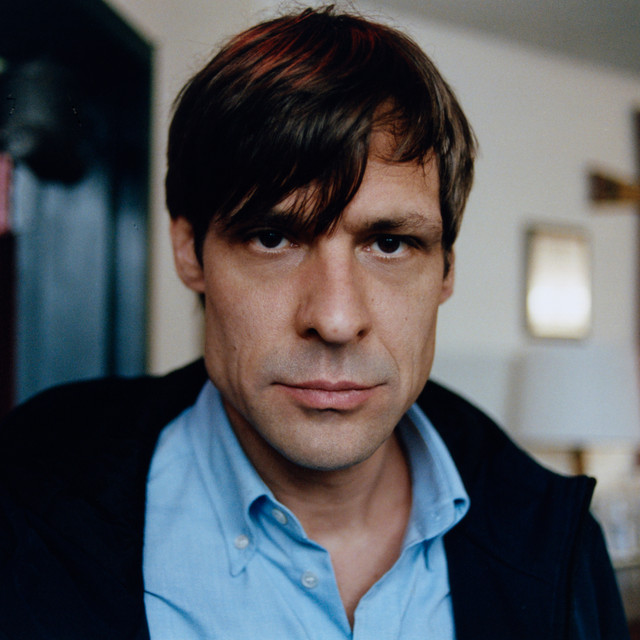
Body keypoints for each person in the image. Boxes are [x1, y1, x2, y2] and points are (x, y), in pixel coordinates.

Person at [0, 6, 628, 639]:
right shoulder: (27, 504)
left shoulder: (561, 543)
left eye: (389, 243)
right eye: (273, 237)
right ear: (189, 251)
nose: (335, 318)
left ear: (445, 271)